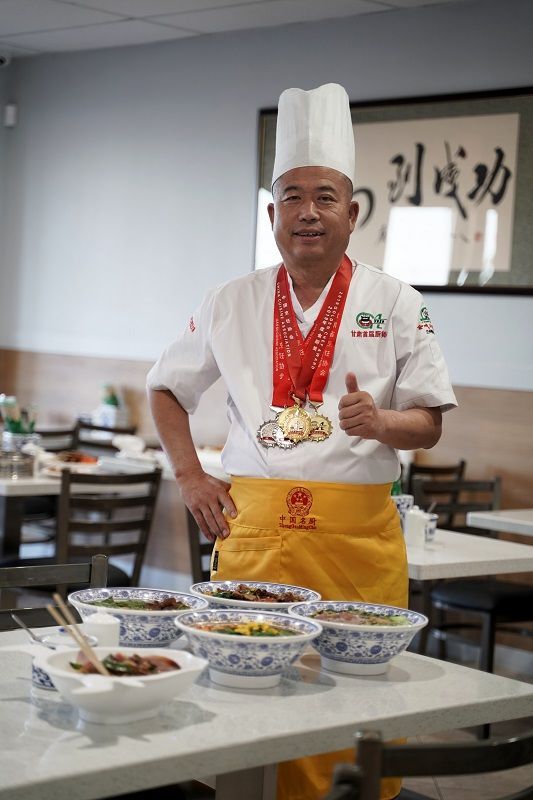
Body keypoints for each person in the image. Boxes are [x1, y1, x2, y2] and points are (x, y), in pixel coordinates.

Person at [147, 83, 457, 800]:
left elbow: (430, 420)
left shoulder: (396, 301)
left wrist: (382, 423)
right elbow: (165, 388)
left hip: (354, 541)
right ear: (271, 214)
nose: (306, 213)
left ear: (352, 214)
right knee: (240, 701)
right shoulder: (231, 300)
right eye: (291, 196)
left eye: (324, 197)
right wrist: (192, 476)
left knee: (349, 711)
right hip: (252, 532)